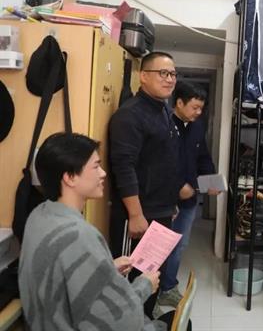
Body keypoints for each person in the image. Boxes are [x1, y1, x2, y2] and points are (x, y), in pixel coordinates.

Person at [18, 132, 168, 331]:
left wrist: (106, 268)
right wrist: (144, 285)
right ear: (70, 177)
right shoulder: (79, 235)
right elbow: (119, 322)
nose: (103, 173)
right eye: (96, 166)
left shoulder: (39, 215)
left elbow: (64, 275)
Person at [108, 51, 182, 318]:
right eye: (163, 73)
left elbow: (164, 161)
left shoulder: (163, 111)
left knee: (152, 276)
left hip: (161, 210)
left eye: (173, 74)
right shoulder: (130, 115)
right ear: (143, 76)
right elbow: (123, 167)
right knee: (131, 279)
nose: (170, 79)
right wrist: (136, 214)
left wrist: (171, 203)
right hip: (139, 214)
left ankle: (146, 321)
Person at [157, 81, 220, 308]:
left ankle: (168, 288)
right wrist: (177, 186)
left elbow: (203, 157)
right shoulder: (162, 125)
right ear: (179, 103)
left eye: (201, 108)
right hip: (163, 200)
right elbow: (157, 164)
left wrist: (210, 179)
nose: (199, 112)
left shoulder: (197, 126)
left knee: (179, 245)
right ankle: (151, 291)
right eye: (195, 107)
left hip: (190, 199)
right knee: (159, 247)